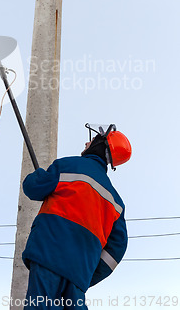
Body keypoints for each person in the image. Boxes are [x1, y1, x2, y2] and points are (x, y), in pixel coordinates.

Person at [22, 124, 132, 310]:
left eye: (92, 140)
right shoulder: (116, 203)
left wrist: (39, 175)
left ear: (100, 144)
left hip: (47, 258)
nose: (87, 142)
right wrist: (87, 274)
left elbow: (33, 188)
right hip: (78, 276)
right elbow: (117, 249)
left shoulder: (67, 166)